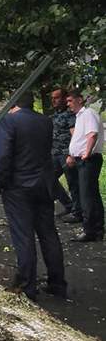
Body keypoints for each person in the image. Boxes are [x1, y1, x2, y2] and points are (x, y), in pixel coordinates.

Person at [0, 92, 67, 300]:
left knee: (23, 235)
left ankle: (27, 285)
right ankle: (57, 283)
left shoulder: (9, 122)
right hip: (43, 185)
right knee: (48, 234)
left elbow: (2, 155)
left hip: (18, 187)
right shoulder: (45, 122)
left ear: (14, 104)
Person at [64, 89, 104, 242]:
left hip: (88, 159)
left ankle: (90, 231)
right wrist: (72, 154)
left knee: (87, 196)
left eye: (70, 101)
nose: (68, 104)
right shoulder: (80, 116)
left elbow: (92, 134)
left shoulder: (88, 114)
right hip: (82, 159)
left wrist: (86, 153)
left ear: (80, 100)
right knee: (91, 195)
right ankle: (97, 229)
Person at [49, 88, 79, 216]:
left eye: (57, 97)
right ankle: (69, 205)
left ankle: (78, 213)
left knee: (73, 184)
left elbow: (75, 135)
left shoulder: (70, 115)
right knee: (49, 179)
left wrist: (71, 155)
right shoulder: (55, 114)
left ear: (64, 98)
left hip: (67, 154)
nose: (53, 100)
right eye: (52, 98)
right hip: (54, 154)